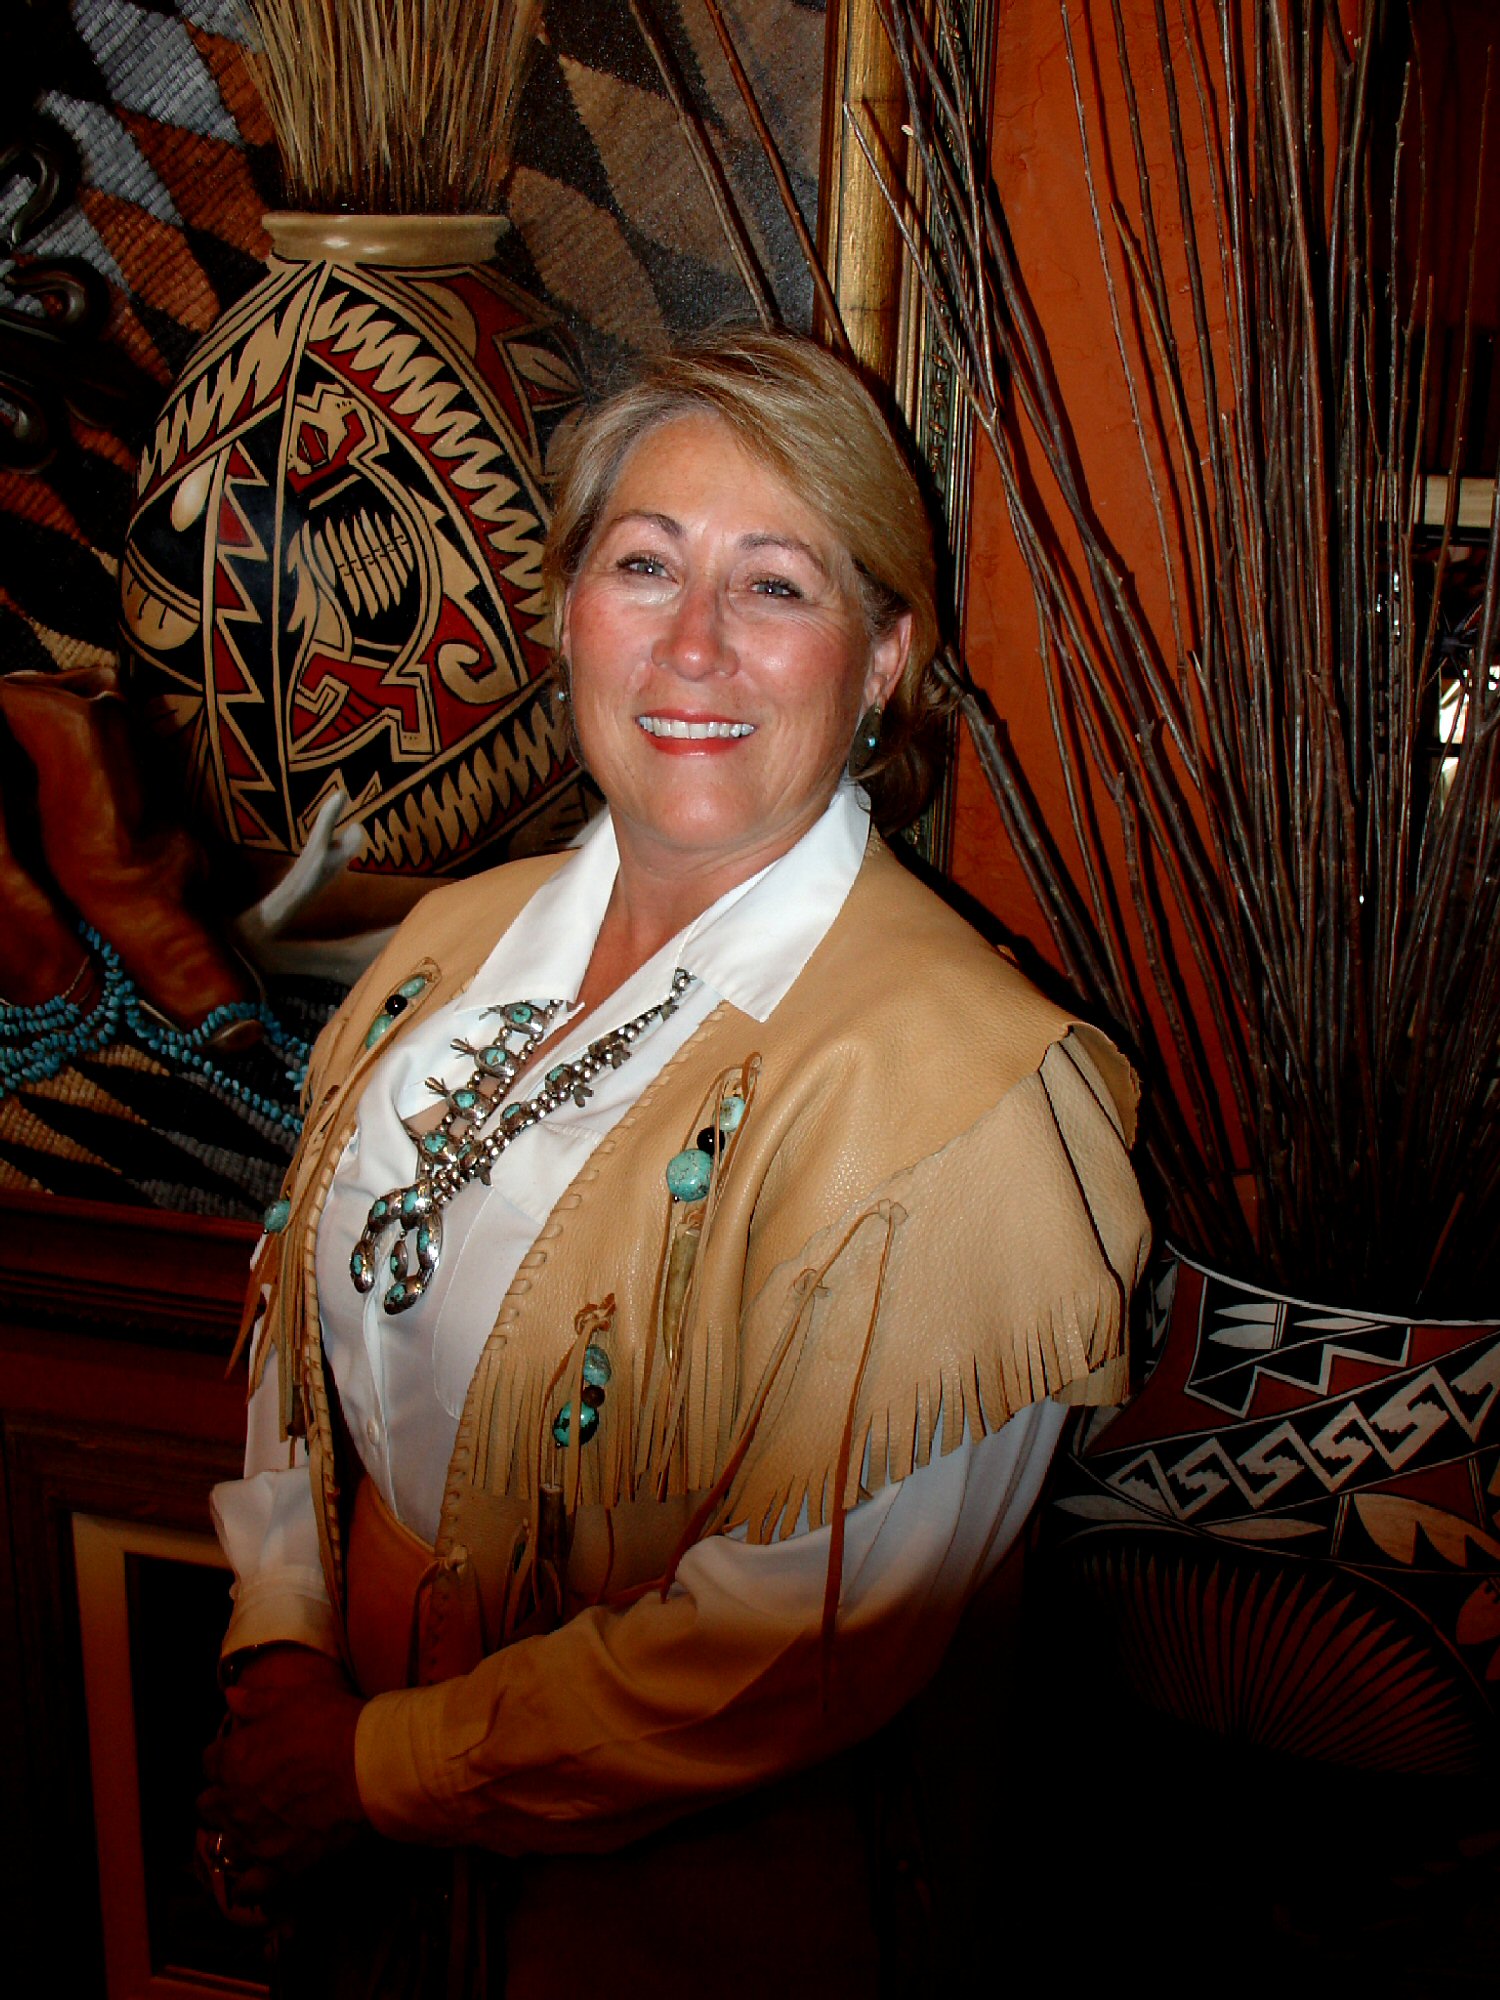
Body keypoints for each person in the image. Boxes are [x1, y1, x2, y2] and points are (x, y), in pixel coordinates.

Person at [200, 329, 1150, 1995]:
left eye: (775, 585)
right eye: (645, 564)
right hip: (366, 1883)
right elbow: (301, 1345)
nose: (693, 643)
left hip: (678, 1922)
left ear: (885, 658)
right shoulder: (444, 951)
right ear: (568, 610)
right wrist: (279, 1640)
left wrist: (374, 1770)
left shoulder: (969, 1096)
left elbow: (791, 1651)